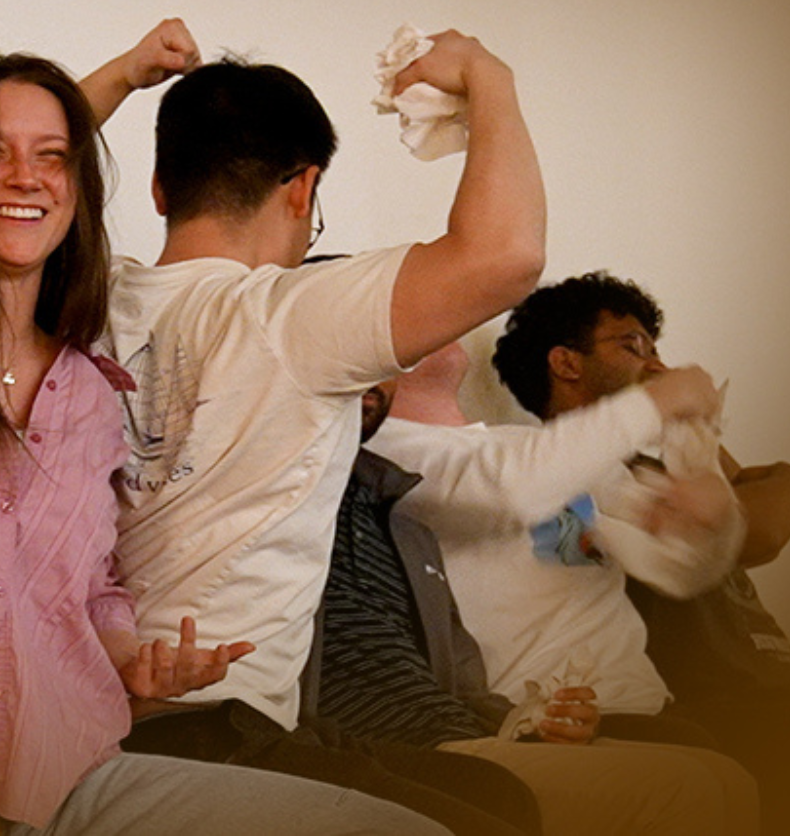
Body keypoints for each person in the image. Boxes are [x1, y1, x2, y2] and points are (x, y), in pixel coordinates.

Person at [0, 46, 452, 835]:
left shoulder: (88, 390)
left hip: (53, 761)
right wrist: (126, 72)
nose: (25, 176)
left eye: (53, 157)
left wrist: (130, 657)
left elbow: (91, 586)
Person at [93, 20, 547, 834]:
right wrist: (487, 74)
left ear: (160, 189)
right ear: (301, 189)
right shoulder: (288, 313)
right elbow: (506, 255)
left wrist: (123, 77)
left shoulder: (86, 298)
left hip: (136, 715)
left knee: (499, 799)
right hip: (206, 725)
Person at [311, 351, 762, 836]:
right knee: (697, 779)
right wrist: (655, 403)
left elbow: (683, 568)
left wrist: (705, 493)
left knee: (732, 779)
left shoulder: (537, 445)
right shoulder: (389, 454)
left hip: (612, 704)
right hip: (552, 710)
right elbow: (509, 488)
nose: (453, 326)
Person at [492, 271, 790, 834]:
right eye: (632, 347)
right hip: (697, 706)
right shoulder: (529, 473)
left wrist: (692, 436)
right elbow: (762, 533)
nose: (657, 365)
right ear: (566, 363)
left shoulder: (650, 473)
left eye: (657, 350)